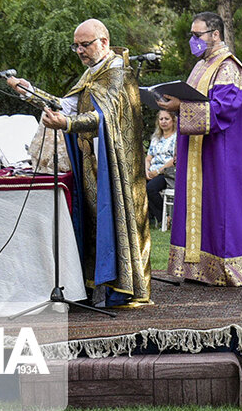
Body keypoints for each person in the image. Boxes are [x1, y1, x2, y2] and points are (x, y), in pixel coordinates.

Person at [9, 18, 151, 306]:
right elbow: (67, 105)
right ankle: (97, 285)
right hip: (92, 161)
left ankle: (125, 288)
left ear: (104, 42)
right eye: (76, 46)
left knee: (117, 223)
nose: (80, 51)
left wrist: (68, 124)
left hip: (117, 165)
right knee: (96, 223)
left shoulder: (117, 72)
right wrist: (29, 92)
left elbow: (105, 118)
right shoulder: (91, 74)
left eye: (85, 44)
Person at [154, 12, 242, 286]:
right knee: (197, 208)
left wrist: (180, 107)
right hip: (196, 153)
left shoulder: (229, 68)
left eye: (197, 35)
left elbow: (224, 110)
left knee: (221, 207)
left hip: (220, 154)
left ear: (215, 34)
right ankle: (195, 268)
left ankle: (227, 269)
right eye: (191, 35)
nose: (193, 40)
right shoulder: (200, 67)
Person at [146, 109, 177, 226]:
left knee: (150, 188)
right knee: (138, 187)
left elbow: (174, 160)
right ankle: (155, 219)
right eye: (161, 119)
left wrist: (158, 171)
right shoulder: (156, 138)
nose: (163, 122)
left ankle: (163, 218)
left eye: (167, 119)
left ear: (173, 121)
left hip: (167, 173)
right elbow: (148, 158)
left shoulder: (177, 137)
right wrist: (146, 170)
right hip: (152, 171)